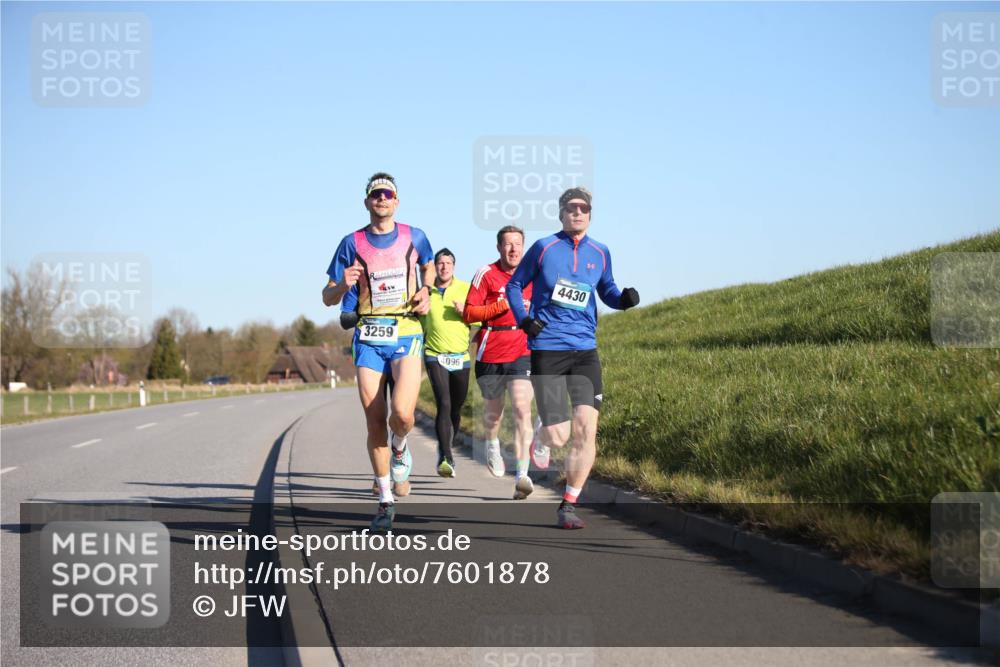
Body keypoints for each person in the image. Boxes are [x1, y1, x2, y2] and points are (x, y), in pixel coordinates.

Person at [507, 188, 640, 528]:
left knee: (587, 429)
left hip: (584, 350)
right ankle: (542, 433)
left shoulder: (601, 252)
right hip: (548, 348)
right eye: (571, 208)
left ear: (590, 214)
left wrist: (622, 299)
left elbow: (606, 289)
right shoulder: (543, 248)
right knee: (559, 437)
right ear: (561, 213)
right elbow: (514, 286)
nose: (577, 213)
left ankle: (568, 504)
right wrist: (524, 319)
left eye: (583, 208)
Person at [323, 172, 435, 532]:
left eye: (388, 194)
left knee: (402, 414)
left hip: (405, 331)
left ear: (397, 201)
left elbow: (428, 265)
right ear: (367, 202)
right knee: (374, 420)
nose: (382, 199)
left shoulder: (414, 236)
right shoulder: (351, 242)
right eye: (375, 195)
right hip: (369, 336)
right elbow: (327, 296)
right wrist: (344, 283)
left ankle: (400, 447)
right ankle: (385, 500)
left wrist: (426, 290)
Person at [463, 225, 536, 500]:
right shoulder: (486, 274)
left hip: (522, 350)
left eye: (518, 244)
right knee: (494, 415)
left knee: (521, 408)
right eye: (508, 244)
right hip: (491, 351)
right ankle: (492, 444)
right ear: (499, 247)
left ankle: (521, 475)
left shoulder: (533, 275)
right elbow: (469, 313)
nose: (513, 249)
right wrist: (500, 307)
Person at [419, 248, 472, 478]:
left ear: (454, 266)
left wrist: (467, 311)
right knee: (445, 401)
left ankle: (448, 441)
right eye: (440, 263)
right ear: (435, 267)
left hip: (461, 356)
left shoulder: (466, 289)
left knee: (457, 407)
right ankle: (445, 455)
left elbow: (480, 314)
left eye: (448, 263)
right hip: (434, 354)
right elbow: (415, 319)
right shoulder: (425, 292)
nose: (444, 267)